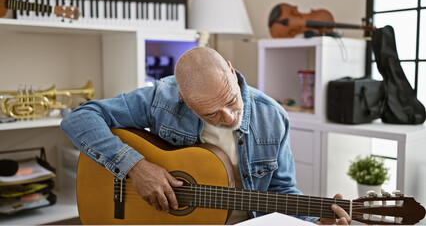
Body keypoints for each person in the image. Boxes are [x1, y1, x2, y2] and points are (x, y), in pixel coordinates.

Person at [61, 47, 350, 225]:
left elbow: (282, 192)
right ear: (183, 98)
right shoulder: (161, 98)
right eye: (210, 113)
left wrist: (313, 217)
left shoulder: (273, 116)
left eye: (231, 101)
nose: (227, 117)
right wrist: (136, 167)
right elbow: (79, 118)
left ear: (231, 71)